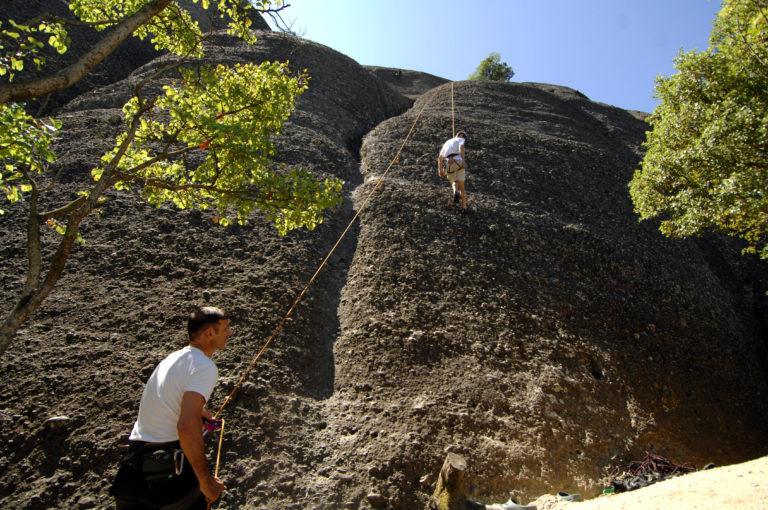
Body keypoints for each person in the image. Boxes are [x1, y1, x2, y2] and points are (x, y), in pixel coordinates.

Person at [110, 306, 232, 509]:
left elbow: (165, 402)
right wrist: (206, 482)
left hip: (132, 473)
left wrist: (199, 412)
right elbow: (186, 425)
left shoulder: (171, 360)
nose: (229, 333)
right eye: (226, 328)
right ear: (210, 333)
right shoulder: (204, 366)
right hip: (168, 481)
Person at [438, 130, 469, 213]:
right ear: (462, 136)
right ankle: (464, 207)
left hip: (448, 164)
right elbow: (461, 147)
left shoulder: (447, 142)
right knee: (462, 187)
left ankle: (455, 190)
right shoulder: (460, 139)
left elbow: (440, 157)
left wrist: (440, 170)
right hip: (458, 161)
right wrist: (463, 161)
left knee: (454, 182)